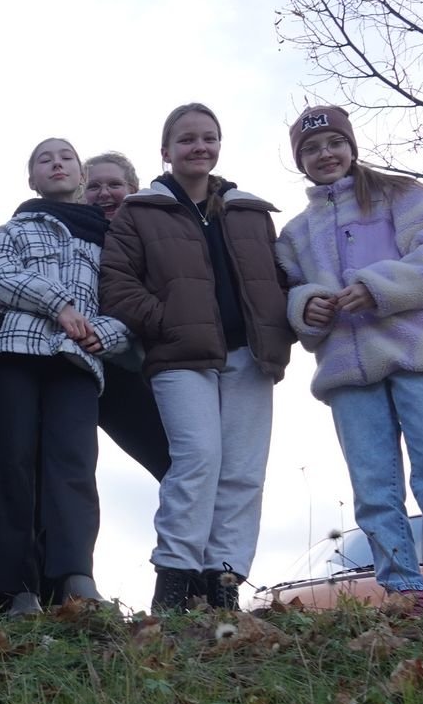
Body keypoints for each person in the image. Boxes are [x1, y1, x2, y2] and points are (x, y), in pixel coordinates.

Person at [275, 106, 423, 610]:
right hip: (347, 368)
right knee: (372, 487)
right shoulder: (295, 233)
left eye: (333, 143)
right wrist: (307, 305)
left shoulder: (403, 196)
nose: (324, 154)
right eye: (310, 149)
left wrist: (377, 286)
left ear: (351, 147)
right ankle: (404, 590)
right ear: (299, 161)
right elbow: (288, 291)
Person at [100, 103, 293, 612]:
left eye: (209, 137)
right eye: (186, 139)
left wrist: (278, 326)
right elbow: (117, 285)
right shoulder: (140, 212)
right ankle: (174, 580)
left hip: (249, 356)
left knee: (243, 471)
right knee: (197, 459)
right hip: (179, 358)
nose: (199, 146)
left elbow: (279, 279)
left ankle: (223, 583)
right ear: (166, 151)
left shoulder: (250, 213)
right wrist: (167, 322)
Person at [0, 138, 132, 614]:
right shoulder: (16, 227)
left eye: (66, 157)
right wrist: (59, 305)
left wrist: (105, 333)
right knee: (12, 461)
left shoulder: (109, 240)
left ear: (81, 176)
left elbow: (124, 301)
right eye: (45, 159)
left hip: (77, 360)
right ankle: (13, 586)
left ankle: (74, 576)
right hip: (13, 350)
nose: (57, 164)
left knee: (74, 464)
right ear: (33, 179)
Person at [84, 151, 170, 482]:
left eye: (114, 185)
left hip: (159, 362)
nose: (104, 193)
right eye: (94, 186)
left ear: (132, 189)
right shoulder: (75, 238)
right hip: (106, 369)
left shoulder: (155, 234)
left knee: (180, 462)